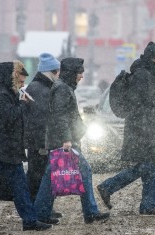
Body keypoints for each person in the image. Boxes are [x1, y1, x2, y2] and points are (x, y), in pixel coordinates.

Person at [34, 57, 110, 224]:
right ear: (71, 73)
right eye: (79, 73)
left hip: (61, 140)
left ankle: (41, 213)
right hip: (64, 142)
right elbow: (60, 116)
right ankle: (90, 212)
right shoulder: (62, 89)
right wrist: (67, 139)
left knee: (51, 177)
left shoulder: (64, 87)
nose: (81, 76)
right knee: (84, 172)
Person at [96, 41, 155, 215]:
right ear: (152, 59)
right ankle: (109, 187)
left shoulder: (147, 73)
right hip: (143, 130)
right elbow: (137, 105)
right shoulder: (142, 76)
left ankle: (146, 205)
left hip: (145, 129)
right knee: (148, 167)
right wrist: (146, 130)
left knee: (148, 167)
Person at [0, 61, 52, 231]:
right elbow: (8, 118)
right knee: (20, 187)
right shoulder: (0, 94)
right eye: (20, 79)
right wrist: (22, 104)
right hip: (1, 150)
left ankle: (30, 220)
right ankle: (30, 220)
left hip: (8, 150)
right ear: (12, 76)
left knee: (21, 188)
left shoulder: (7, 92)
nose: (23, 82)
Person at [24, 53, 62, 218]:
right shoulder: (40, 89)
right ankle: (39, 210)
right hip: (40, 143)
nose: (58, 74)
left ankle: (43, 208)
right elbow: (41, 121)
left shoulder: (39, 87)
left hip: (39, 141)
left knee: (39, 176)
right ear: (50, 72)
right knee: (38, 177)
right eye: (57, 71)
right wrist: (44, 145)